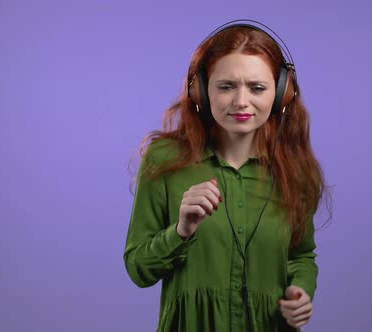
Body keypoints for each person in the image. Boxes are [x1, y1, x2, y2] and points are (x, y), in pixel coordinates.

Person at [123, 20, 330, 332]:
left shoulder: (297, 170)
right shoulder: (164, 160)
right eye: (226, 86)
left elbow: (301, 256)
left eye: (257, 88)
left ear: (281, 94)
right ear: (200, 91)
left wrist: (301, 291)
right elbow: (139, 269)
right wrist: (181, 231)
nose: (241, 102)